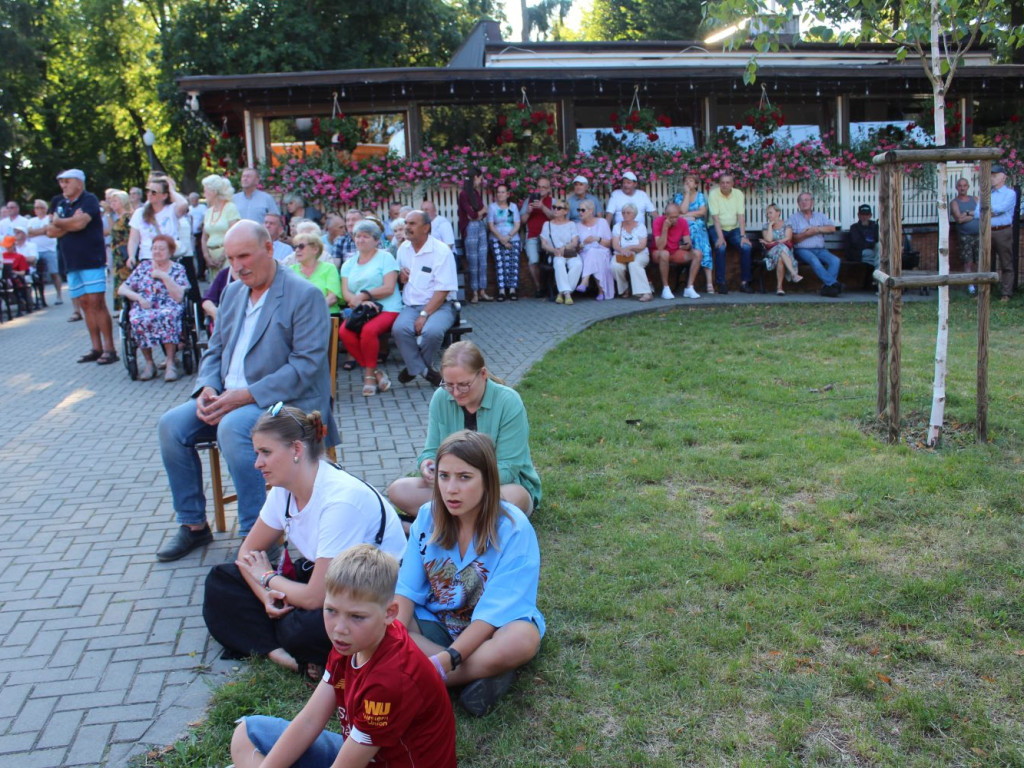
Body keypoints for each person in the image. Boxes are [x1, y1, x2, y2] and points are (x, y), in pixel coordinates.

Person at [156, 220, 337, 562]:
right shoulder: (232, 291)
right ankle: (193, 525)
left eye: (244, 256)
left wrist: (246, 395)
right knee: (171, 425)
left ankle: (257, 535)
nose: (237, 267)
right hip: (229, 398)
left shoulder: (304, 294)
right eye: (230, 258)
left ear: (269, 249)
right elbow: (215, 348)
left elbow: (306, 366)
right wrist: (207, 386)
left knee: (234, 426)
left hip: (288, 404)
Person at [205, 406, 406, 675]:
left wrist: (266, 577)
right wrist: (267, 596)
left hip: (367, 591)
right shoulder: (283, 490)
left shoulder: (340, 500)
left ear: (296, 450)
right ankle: (282, 654)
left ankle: (279, 643)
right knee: (221, 579)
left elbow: (315, 598)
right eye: (257, 453)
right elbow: (246, 554)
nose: (257, 463)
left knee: (305, 627)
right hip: (327, 579)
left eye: (266, 452)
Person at [228, 543, 456, 768]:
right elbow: (309, 721)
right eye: (331, 611)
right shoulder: (350, 643)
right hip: (365, 756)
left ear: (389, 613)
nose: (339, 628)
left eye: (356, 616)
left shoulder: (390, 679)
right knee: (246, 734)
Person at [396, 430, 545, 717]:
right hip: (437, 624)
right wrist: (393, 640)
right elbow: (406, 590)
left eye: (464, 477)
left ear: (487, 480)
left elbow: (491, 616)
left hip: (491, 631)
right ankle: (481, 674)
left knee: (522, 639)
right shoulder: (428, 516)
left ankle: (432, 677)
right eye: (444, 476)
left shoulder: (513, 529)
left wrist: (446, 661)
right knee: (384, 617)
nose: (451, 489)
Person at [388, 340, 541, 518]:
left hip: (498, 486)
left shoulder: (508, 401)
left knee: (511, 500)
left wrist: (466, 480)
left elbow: (509, 467)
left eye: (463, 385)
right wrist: (427, 465)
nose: (456, 392)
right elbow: (431, 451)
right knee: (398, 490)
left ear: (482, 374)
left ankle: (444, 520)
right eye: (449, 385)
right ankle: (466, 520)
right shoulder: (441, 398)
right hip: (452, 486)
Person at [47, 169, 117, 364]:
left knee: (97, 303)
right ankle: (96, 347)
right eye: (61, 182)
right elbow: (51, 232)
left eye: (67, 182)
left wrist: (60, 222)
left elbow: (79, 224)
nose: (63, 186)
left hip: (91, 259)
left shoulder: (89, 200)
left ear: (79, 182)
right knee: (85, 305)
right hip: (71, 262)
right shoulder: (61, 203)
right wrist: (67, 223)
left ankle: (110, 348)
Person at [393, 210, 457, 387]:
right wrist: (401, 277)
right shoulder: (403, 249)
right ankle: (425, 371)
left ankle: (414, 367)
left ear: (426, 227)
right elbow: (399, 279)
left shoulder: (441, 251)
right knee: (399, 329)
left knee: (432, 332)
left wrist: (424, 314)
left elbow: (443, 290)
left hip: (441, 305)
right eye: (406, 223)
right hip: (410, 306)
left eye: (412, 223)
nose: (407, 227)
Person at [339, 219, 401, 397]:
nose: (360, 240)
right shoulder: (348, 264)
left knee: (368, 331)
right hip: (362, 310)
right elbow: (346, 292)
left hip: (388, 307)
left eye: (366, 236)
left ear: (376, 240)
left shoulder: (385, 257)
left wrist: (364, 295)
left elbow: (389, 287)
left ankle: (368, 377)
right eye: (357, 236)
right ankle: (376, 373)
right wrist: (360, 301)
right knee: (344, 332)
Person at [116, 234, 189, 381]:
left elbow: (179, 296)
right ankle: (149, 363)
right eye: (154, 248)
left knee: (168, 316)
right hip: (145, 305)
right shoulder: (143, 267)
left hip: (170, 305)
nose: (157, 252)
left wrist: (164, 276)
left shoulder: (178, 269)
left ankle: (170, 362)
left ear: (171, 252)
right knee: (136, 318)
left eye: (161, 249)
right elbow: (122, 289)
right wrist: (138, 298)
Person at [789, 192, 842, 297]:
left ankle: (828, 288)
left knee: (835, 260)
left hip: (821, 250)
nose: (804, 202)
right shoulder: (793, 218)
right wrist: (806, 234)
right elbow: (793, 239)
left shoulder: (820, 216)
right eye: (801, 200)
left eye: (807, 200)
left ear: (812, 202)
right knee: (814, 260)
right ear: (798, 204)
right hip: (803, 250)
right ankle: (833, 284)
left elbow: (832, 228)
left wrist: (817, 229)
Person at [708, 173, 754, 294]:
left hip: (734, 228)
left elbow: (741, 216)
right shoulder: (713, 194)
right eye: (722, 182)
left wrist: (743, 236)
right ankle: (721, 283)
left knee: (746, 247)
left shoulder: (738, 194)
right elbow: (715, 218)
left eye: (728, 182)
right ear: (719, 184)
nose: (725, 185)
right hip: (716, 227)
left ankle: (745, 283)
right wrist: (721, 237)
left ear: (732, 184)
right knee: (721, 247)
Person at [651, 203, 700, 300]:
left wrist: (687, 246)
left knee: (697, 253)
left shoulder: (682, 222)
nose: (674, 220)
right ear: (665, 215)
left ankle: (689, 287)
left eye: (676, 217)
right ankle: (666, 288)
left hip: (675, 251)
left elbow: (688, 241)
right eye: (671, 217)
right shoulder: (658, 221)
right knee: (665, 253)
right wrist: (665, 228)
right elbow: (660, 246)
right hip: (658, 252)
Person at [457, 167, 492, 303]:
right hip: (470, 229)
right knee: (473, 261)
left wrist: (479, 213)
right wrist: (480, 212)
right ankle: (475, 293)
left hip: (481, 227)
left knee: (482, 260)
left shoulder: (476, 193)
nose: (481, 180)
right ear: (474, 177)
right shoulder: (464, 195)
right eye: (480, 177)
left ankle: (482, 291)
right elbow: (471, 215)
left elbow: (483, 212)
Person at [127, 177, 178, 267]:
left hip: (168, 259)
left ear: (164, 195)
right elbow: (134, 238)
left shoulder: (172, 209)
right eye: (148, 191)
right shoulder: (140, 213)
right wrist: (131, 256)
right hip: (147, 258)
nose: (149, 194)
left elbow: (184, 204)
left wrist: (171, 188)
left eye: (154, 192)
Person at [677, 174, 714, 293]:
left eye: (691, 180)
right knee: (692, 229)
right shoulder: (679, 197)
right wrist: (687, 195)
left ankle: (709, 282)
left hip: (698, 228)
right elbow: (681, 211)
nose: (688, 182)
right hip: (684, 229)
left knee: (703, 243)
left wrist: (686, 216)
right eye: (686, 180)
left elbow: (702, 212)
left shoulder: (700, 196)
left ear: (696, 184)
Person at [540, 197, 581, 305]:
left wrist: (565, 248)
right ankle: (567, 295)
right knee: (559, 263)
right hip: (555, 253)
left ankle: (561, 293)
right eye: (554, 207)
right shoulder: (547, 224)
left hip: (568, 251)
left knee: (577, 264)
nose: (555, 210)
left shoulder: (571, 224)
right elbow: (543, 244)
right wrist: (553, 250)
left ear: (565, 211)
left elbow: (575, 242)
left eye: (559, 208)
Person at [290, 232, 341, 316]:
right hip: (298, 317)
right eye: (295, 247)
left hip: (325, 315)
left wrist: (310, 311)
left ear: (315, 250)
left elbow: (332, 298)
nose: (297, 250)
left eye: (301, 246)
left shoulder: (329, 268)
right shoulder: (291, 270)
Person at [519, 177, 554, 297]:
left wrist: (543, 207)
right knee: (533, 261)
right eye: (539, 187)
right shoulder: (529, 200)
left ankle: (552, 287)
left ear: (549, 189)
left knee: (553, 262)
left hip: (549, 237)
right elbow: (522, 221)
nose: (541, 189)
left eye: (544, 187)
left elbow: (556, 218)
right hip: (532, 236)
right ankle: (539, 288)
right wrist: (528, 212)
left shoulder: (553, 201)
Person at [487, 183, 522, 301]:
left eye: (503, 192)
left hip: (513, 238)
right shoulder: (492, 207)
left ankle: (512, 290)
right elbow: (491, 225)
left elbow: (517, 224)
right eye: (498, 192)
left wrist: (508, 237)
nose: (500, 194)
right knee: (500, 264)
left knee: (513, 264)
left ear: (507, 194)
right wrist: (502, 239)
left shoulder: (513, 207)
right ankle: (501, 291)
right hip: (496, 239)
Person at [611, 202, 653, 301]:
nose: (625, 215)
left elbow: (642, 245)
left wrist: (630, 248)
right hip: (622, 253)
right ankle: (624, 289)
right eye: (624, 212)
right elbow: (615, 245)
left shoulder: (641, 226)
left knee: (634, 264)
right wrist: (623, 251)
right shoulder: (617, 227)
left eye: (628, 213)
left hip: (640, 253)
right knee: (615, 266)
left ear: (634, 214)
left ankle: (645, 292)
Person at [200, 174, 241, 273]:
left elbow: (234, 235)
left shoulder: (230, 207)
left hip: (228, 257)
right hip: (211, 257)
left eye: (205, 191)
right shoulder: (209, 212)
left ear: (214, 192)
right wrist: (207, 257)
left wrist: (222, 257)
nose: (204, 194)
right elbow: (204, 237)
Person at [575, 199, 614, 300]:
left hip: (603, 252)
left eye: (583, 210)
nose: (580, 212)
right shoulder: (577, 226)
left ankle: (585, 281)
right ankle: (601, 291)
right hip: (584, 253)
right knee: (592, 254)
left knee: (594, 253)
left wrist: (598, 239)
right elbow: (577, 248)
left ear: (591, 211)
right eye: (578, 210)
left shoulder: (602, 222)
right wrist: (584, 243)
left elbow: (610, 244)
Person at [760, 204, 802, 296]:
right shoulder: (765, 226)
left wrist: (775, 243)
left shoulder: (787, 224)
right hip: (771, 253)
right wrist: (770, 226)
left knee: (780, 256)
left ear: (778, 213)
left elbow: (788, 238)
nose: (768, 215)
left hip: (786, 252)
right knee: (780, 248)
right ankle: (793, 274)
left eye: (770, 212)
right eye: (767, 213)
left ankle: (779, 288)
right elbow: (769, 239)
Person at [25, 200, 61, 305]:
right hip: (36, 251)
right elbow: (29, 233)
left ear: (46, 209)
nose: (39, 210)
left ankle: (59, 295)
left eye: (41, 207)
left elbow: (49, 231)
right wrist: (43, 231)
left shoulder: (49, 219)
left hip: (49, 249)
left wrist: (37, 232)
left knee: (54, 273)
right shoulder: (31, 221)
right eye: (37, 208)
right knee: (37, 275)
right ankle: (41, 297)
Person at [991, 163, 1017, 302]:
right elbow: (978, 212)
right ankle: (984, 291)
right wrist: (990, 211)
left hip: (1003, 231)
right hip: (987, 231)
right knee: (985, 263)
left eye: (995, 175)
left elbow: (1001, 208)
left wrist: (988, 210)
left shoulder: (1010, 193)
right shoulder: (987, 193)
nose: (992, 178)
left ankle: (1006, 293)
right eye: (991, 175)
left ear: (1003, 177)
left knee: (1006, 262)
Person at [949, 177, 979, 295]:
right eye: (960, 186)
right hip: (965, 236)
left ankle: (978, 283)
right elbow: (959, 219)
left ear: (968, 187)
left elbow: (983, 214)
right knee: (968, 261)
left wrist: (966, 214)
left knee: (979, 260)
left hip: (978, 234)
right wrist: (972, 214)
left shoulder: (975, 199)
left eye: (965, 185)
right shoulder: (954, 202)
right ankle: (970, 286)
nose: (962, 188)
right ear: (957, 188)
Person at [847, 204, 880, 268]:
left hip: (874, 250)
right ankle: (877, 274)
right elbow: (857, 244)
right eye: (862, 214)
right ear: (858, 215)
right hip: (861, 252)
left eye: (867, 214)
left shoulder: (875, 226)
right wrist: (872, 244)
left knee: (879, 248)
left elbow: (879, 239)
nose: (864, 217)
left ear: (870, 215)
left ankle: (876, 273)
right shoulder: (854, 227)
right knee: (879, 256)